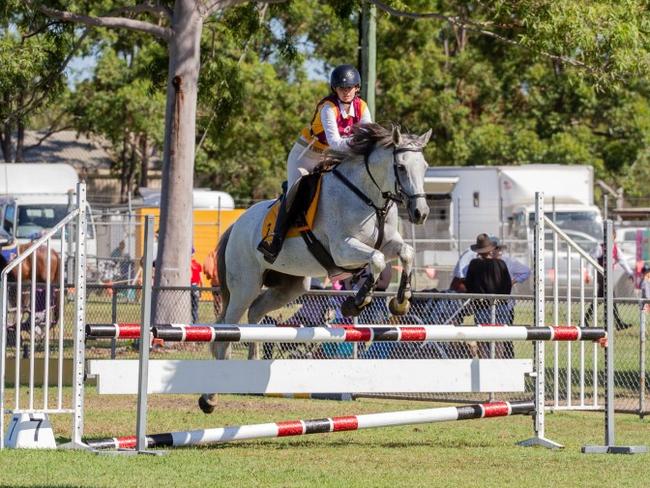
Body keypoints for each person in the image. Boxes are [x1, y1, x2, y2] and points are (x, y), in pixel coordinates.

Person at [257, 64, 372, 264]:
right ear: (335, 89)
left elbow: (367, 135)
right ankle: (274, 240)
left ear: (357, 88)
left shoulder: (362, 107)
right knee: (296, 193)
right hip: (306, 156)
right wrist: (362, 141)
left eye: (350, 88)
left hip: (333, 157)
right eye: (341, 88)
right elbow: (336, 143)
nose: (346, 92)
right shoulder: (328, 108)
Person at [464, 234, 512, 358]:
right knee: (499, 340)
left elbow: (468, 284)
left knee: (483, 338)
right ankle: (498, 364)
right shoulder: (501, 264)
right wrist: (503, 299)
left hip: (481, 307)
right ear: (491, 249)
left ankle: (485, 365)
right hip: (501, 306)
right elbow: (507, 285)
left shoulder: (474, 264)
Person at [585, 230, 634, 330]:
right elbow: (590, 259)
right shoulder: (600, 247)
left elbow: (622, 261)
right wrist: (589, 273)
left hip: (609, 275)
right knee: (610, 296)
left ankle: (585, 320)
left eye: (611, 236)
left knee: (600, 298)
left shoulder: (615, 248)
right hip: (602, 275)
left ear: (614, 237)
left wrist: (630, 273)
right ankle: (619, 323)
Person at [491, 236, 531, 358]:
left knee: (506, 334)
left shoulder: (509, 261)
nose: (494, 251)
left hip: (506, 305)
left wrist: (513, 281)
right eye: (492, 248)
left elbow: (527, 271)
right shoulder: (487, 262)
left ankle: (508, 358)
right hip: (490, 304)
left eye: (496, 248)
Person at [190, 247, 202, 324]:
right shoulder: (197, 265)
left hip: (189, 286)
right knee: (195, 305)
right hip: (196, 286)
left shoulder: (187, 265)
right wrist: (201, 287)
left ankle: (192, 320)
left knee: (190, 304)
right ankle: (195, 321)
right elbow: (200, 278)